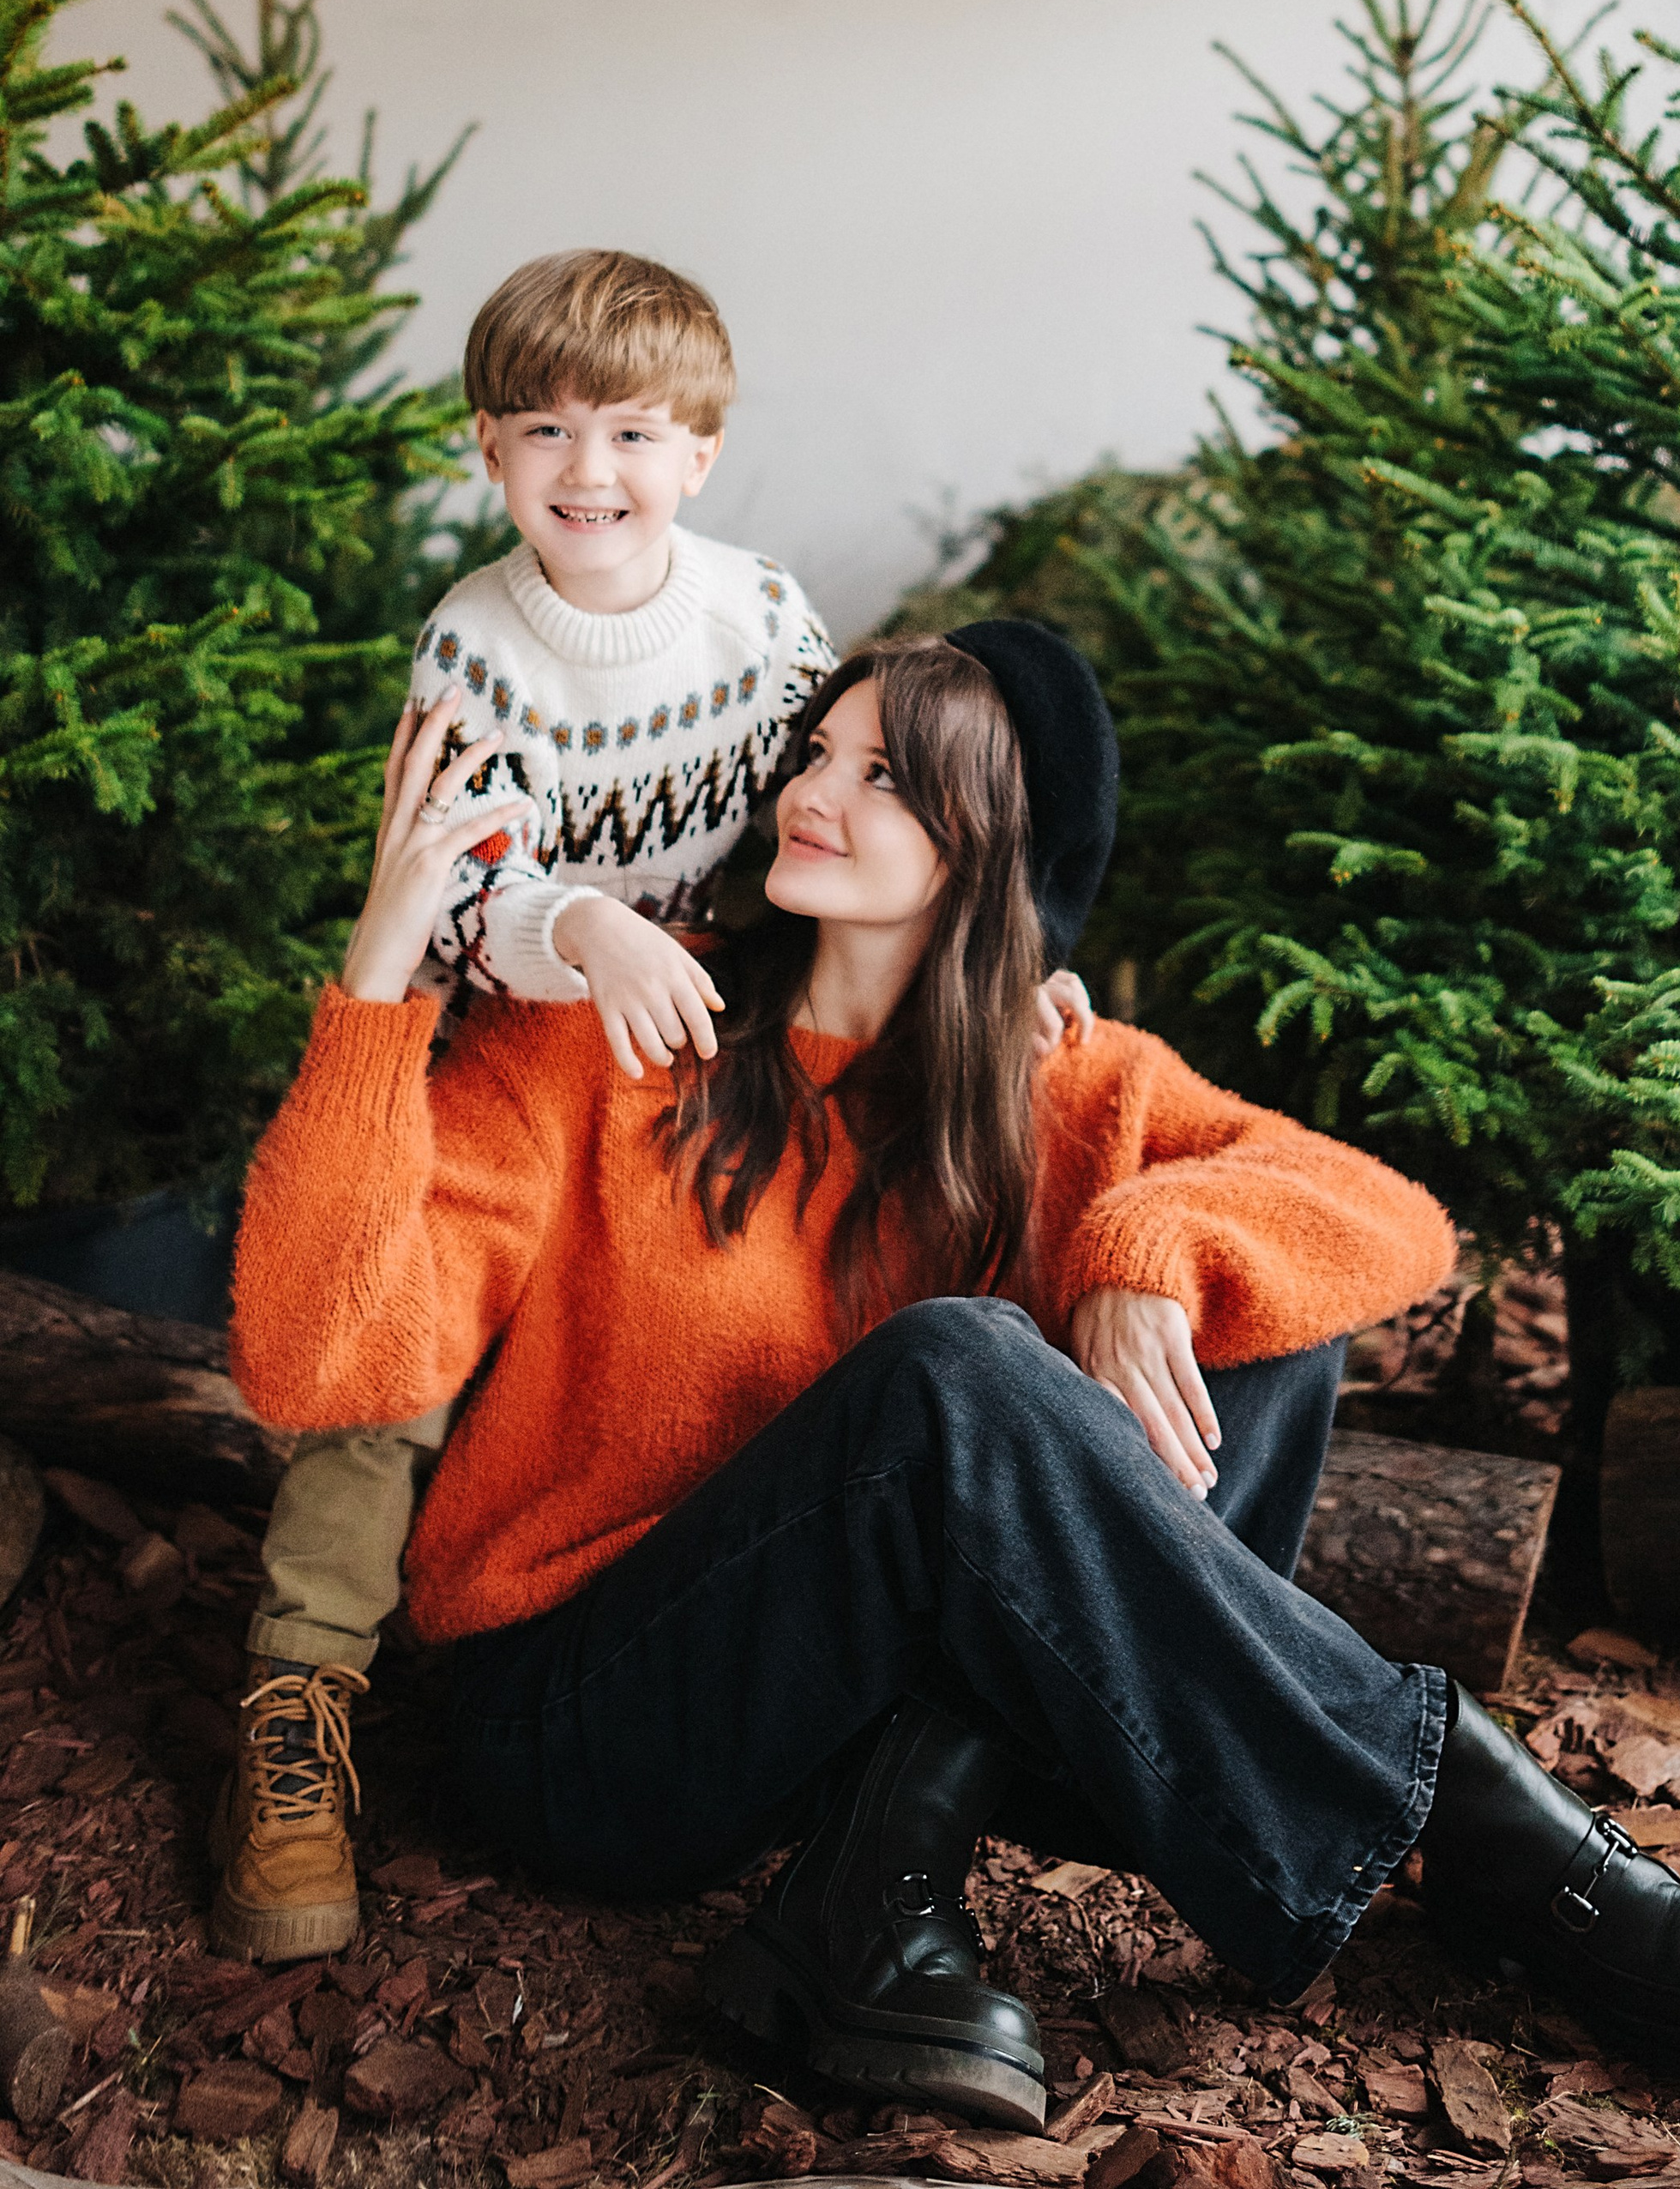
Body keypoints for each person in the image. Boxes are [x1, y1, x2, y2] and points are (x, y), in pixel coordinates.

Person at [228, 627, 1680, 2108]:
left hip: (840, 1727)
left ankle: (872, 1881)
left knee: (1247, 1313)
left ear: (985, 848)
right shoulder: (618, 1033)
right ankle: (1467, 1820)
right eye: (817, 754)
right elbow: (318, 1359)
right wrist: (383, 976)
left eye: (881, 775)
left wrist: (1142, 1257)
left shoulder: (1062, 1081)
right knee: (962, 1366)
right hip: (587, 1717)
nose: (810, 793)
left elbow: (1389, 1223)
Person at [211, 251, 1086, 1962]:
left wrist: (997, 963)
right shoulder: (479, 641)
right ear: (484, 447)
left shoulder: (758, 613)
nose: (584, 468)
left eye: (627, 430)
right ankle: (297, 1684)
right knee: (394, 1371)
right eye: (541, 427)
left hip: (728, 1007)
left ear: (697, 448)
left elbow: (854, 797)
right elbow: (451, 877)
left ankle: (769, 1620)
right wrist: (577, 923)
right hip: (527, 1019)